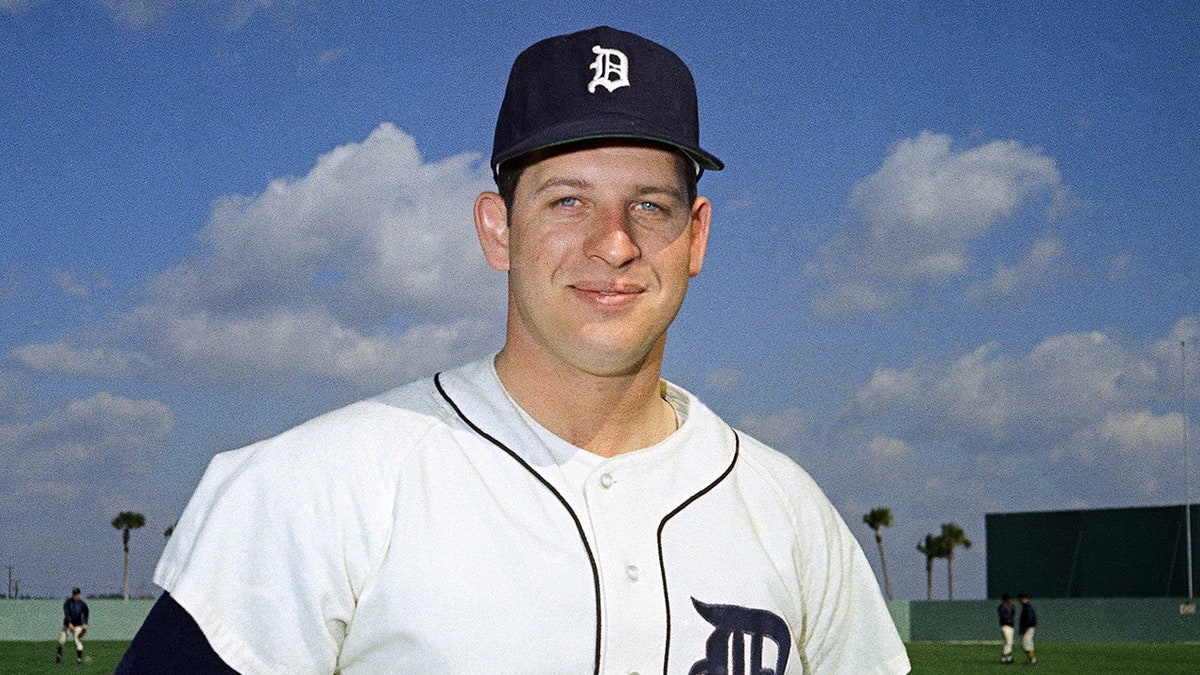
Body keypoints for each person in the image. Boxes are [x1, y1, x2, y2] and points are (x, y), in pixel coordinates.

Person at [117, 26, 909, 674]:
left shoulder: (792, 514)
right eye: (567, 201)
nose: (615, 243)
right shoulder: (311, 491)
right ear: (498, 229)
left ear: (695, 237)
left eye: (650, 205)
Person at [56, 587, 88, 664]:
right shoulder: (68, 602)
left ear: (79, 594)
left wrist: (85, 623)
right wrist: (69, 623)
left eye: (77, 594)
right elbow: (66, 614)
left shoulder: (82, 604)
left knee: (77, 641)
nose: (75, 595)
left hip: (77, 625)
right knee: (62, 641)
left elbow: (86, 613)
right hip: (67, 625)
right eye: (74, 594)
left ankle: (79, 659)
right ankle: (59, 655)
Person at [1019, 592, 1038, 665]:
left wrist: (1026, 628)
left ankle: (1032, 659)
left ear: (1022, 598)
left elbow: (1029, 618)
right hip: (1028, 627)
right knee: (1027, 643)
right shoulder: (1026, 606)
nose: (1019, 601)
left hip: (1028, 628)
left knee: (1026, 643)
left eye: (1020, 599)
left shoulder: (1027, 607)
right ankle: (1032, 659)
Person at [997, 593, 1016, 664]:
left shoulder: (1008, 606)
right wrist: (1008, 618)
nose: (1010, 600)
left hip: (1009, 626)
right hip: (1006, 626)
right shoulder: (1003, 606)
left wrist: (1013, 607)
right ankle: (1004, 657)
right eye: (1009, 598)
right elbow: (1005, 616)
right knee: (1008, 642)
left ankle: (1008, 658)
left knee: (1009, 642)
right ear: (1006, 599)